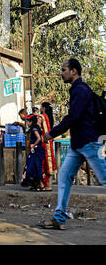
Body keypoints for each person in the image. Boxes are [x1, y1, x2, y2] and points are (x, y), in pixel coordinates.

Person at [41, 58, 106, 230]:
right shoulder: (78, 90)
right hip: (78, 144)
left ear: (73, 71)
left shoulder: (81, 91)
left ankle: (59, 217)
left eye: (64, 70)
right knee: (63, 177)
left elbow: (73, 117)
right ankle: (59, 218)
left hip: (89, 142)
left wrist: (51, 133)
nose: (62, 73)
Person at [21, 115, 45, 191]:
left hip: (36, 151)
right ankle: (35, 184)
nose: (28, 123)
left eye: (29, 121)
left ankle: (41, 184)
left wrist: (33, 145)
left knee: (35, 167)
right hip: (37, 150)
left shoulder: (34, 129)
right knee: (34, 167)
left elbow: (39, 138)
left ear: (32, 122)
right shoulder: (37, 128)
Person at [37, 114, 57, 191]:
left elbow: (37, 125)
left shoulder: (41, 117)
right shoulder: (49, 118)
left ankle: (42, 184)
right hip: (49, 142)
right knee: (48, 164)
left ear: (43, 108)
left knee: (41, 163)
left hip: (42, 142)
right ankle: (47, 185)